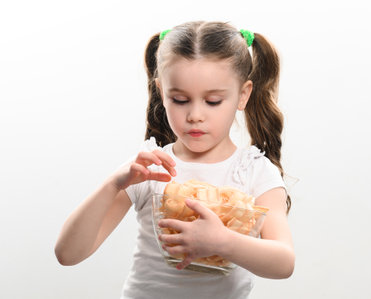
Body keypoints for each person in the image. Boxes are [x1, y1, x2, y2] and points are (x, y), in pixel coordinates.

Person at [55, 21, 295, 299]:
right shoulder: (150, 168)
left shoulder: (255, 171)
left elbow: (283, 262)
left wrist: (223, 241)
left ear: (243, 95)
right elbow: (68, 254)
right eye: (180, 99)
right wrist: (111, 186)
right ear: (161, 93)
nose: (195, 115)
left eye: (213, 101)